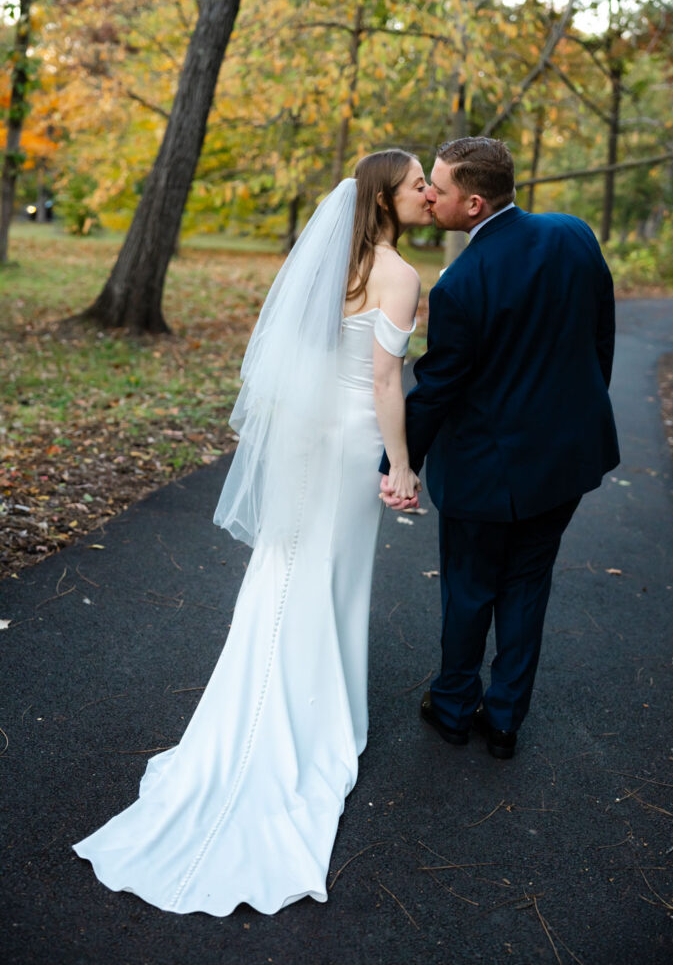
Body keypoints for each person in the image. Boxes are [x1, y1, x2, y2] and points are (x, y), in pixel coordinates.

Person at [72, 150, 428, 915]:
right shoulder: (398, 276)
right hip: (347, 443)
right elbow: (383, 380)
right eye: (415, 184)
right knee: (330, 577)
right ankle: (308, 719)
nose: (424, 192)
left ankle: (272, 703)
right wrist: (400, 465)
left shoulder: (332, 263)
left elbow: (299, 356)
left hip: (306, 439)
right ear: (384, 199)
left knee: (287, 568)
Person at [382, 137, 619, 759]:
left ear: (476, 203)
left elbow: (437, 388)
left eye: (440, 187)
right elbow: (601, 341)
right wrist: (581, 415)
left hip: (485, 471)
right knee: (527, 585)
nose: (430, 194)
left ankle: (455, 707)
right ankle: (506, 718)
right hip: (566, 459)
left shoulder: (462, 282)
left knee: (470, 588)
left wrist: (397, 462)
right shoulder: (574, 235)